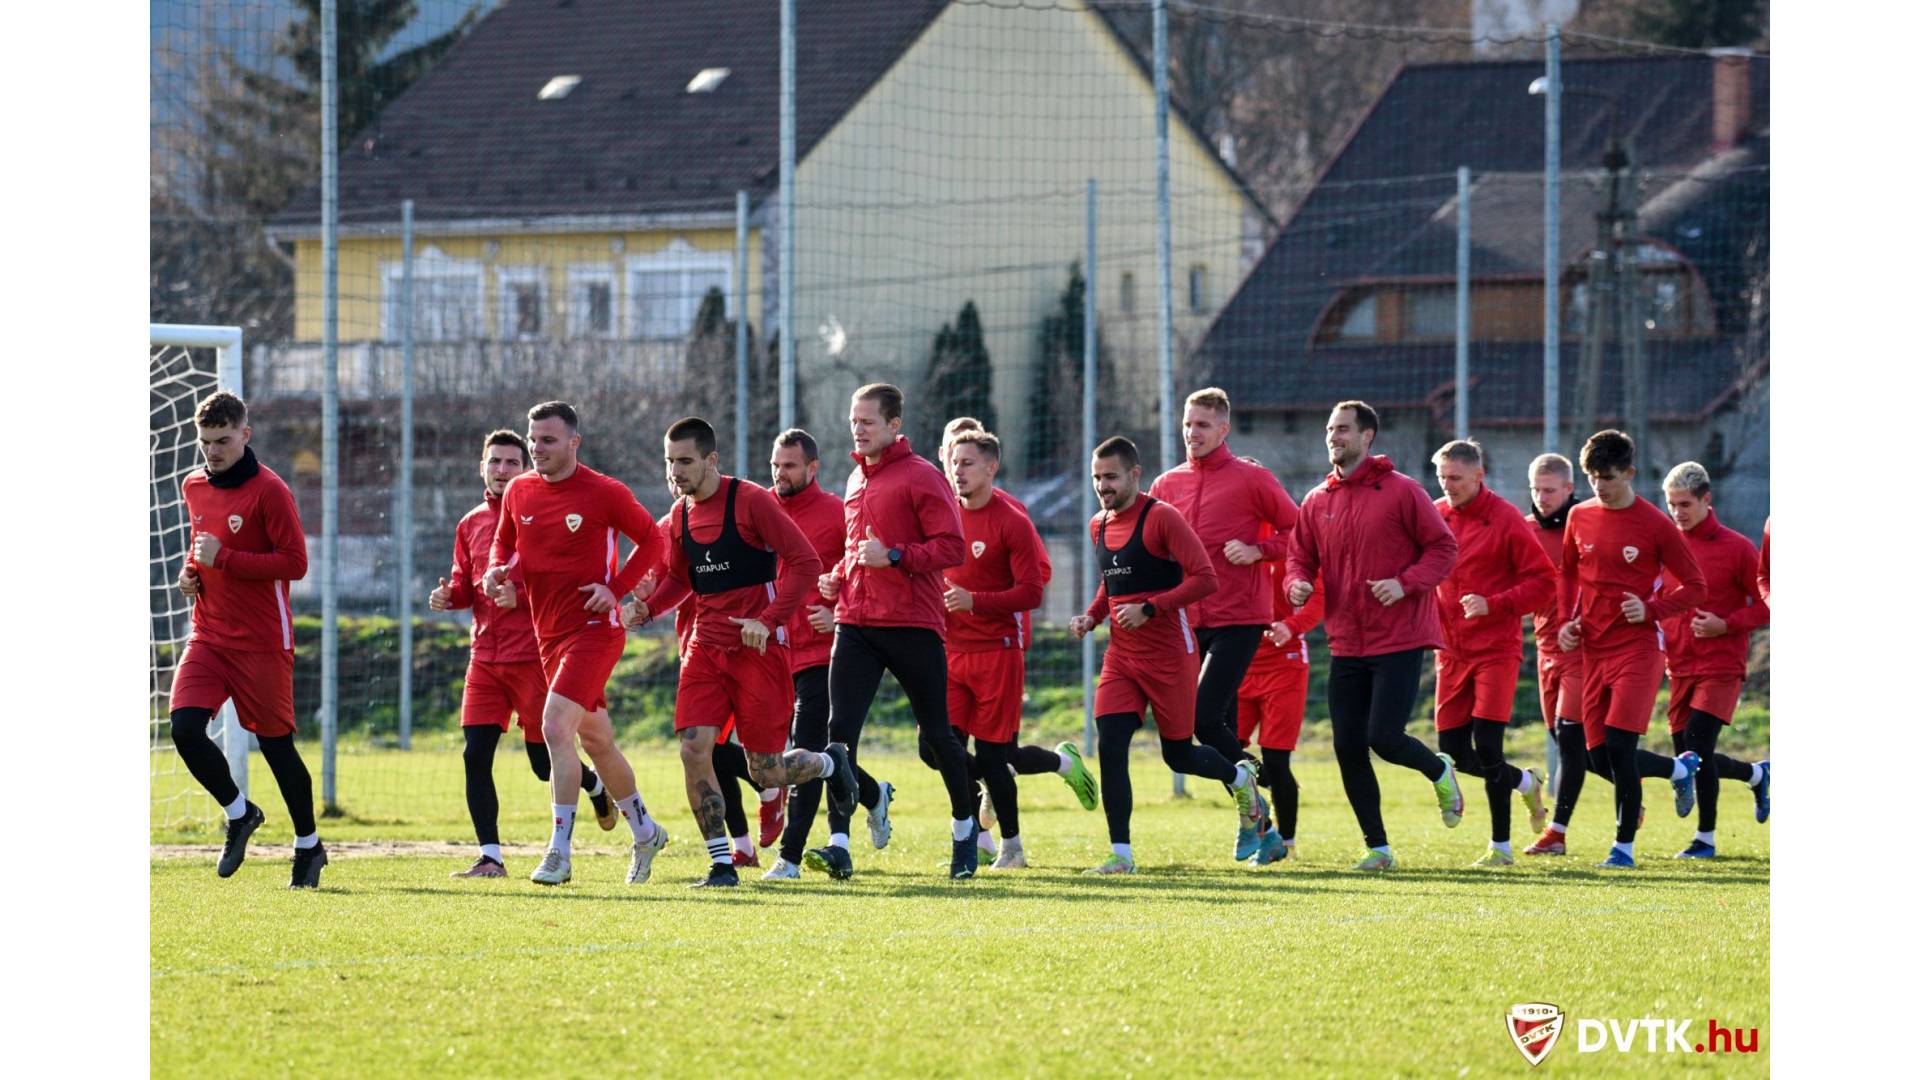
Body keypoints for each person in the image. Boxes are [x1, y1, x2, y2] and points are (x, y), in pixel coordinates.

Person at [626, 417, 829, 887]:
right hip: (705, 646)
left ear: (712, 459)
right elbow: (681, 579)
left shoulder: (751, 500)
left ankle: (830, 763)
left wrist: (768, 620)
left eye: (685, 461)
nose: (675, 471)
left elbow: (806, 562)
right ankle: (721, 863)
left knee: (767, 771)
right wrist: (648, 609)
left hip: (757, 649)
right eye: (669, 461)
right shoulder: (679, 514)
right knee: (694, 749)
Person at [483, 400, 668, 886]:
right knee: (597, 741)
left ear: (573, 442)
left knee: (554, 727)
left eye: (548, 440)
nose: (537, 448)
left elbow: (654, 541)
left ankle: (559, 854)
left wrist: (616, 589)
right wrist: (497, 571)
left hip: (595, 630)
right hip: (549, 635)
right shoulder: (519, 491)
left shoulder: (605, 492)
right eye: (533, 439)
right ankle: (646, 832)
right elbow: (506, 544)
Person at [1282, 401, 1466, 872]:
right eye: (1330, 429)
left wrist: (1405, 583)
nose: (1333, 437)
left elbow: (1443, 547)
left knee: (1383, 737)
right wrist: (1296, 584)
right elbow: (1298, 558)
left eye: (1343, 429)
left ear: (1367, 437)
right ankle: (1378, 848)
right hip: (1346, 641)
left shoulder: (1403, 491)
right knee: (1347, 746)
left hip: (1399, 636)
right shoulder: (1316, 500)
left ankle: (1439, 769)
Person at [430, 430, 616, 878]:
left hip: (535, 656)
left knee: (541, 763)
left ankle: (593, 785)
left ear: (526, 469)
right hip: (485, 659)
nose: (502, 470)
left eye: (512, 462)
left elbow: (563, 585)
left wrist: (521, 596)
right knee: (475, 754)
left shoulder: (540, 515)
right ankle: (491, 857)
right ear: (482, 468)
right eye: (494, 462)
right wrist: (450, 596)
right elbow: (467, 585)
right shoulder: (469, 523)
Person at [1069, 437, 1260, 874]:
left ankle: (1240, 778)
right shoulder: (1098, 524)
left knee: (1179, 755)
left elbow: (1206, 578)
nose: (1102, 486)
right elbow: (1111, 582)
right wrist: (1092, 617)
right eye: (1097, 477)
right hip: (1122, 656)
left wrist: (1152, 607)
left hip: (1171, 653)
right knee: (1110, 743)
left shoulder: (1162, 518)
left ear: (1135, 474)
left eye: (1111, 476)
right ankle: (1121, 855)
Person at [813, 384, 977, 880]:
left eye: (867, 421)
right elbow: (857, 549)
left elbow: (952, 547)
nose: (857, 429)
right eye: (853, 421)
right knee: (838, 740)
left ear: (894, 425)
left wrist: (896, 556)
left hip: (912, 624)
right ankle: (839, 845)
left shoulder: (923, 476)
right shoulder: (854, 479)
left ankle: (965, 831)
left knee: (939, 736)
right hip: (855, 624)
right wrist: (838, 575)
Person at [170, 391, 326, 887]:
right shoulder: (194, 485)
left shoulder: (270, 491)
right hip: (209, 635)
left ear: (245, 434)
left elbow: (295, 563)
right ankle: (239, 813)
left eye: (222, 440)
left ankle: (308, 846)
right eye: (205, 441)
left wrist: (225, 559)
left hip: (262, 641)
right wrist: (190, 574)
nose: (212, 451)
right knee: (184, 729)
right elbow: (200, 550)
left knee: (276, 748)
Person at [1148, 388, 1298, 858]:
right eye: (1188, 424)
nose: (1192, 433)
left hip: (1240, 617)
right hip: (1186, 620)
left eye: (1203, 425)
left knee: (1203, 718)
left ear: (1224, 429)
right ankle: (1260, 825)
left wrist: (1258, 550)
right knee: (1221, 731)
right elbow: (1148, 545)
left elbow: (1298, 532)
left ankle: (1264, 789)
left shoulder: (1253, 479)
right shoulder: (1166, 484)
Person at [942, 429, 1097, 870]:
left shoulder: (1012, 520)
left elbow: (1032, 591)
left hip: (998, 651)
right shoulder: (942, 516)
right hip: (950, 652)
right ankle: (978, 824)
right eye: (953, 462)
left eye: (967, 463)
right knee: (936, 749)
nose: (957, 471)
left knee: (993, 756)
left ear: (992, 467)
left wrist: (975, 602)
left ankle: (1010, 848)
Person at [1554, 430, 1707, 870]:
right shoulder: (1579, 515)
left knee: (1620, 748)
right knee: (1596, 755)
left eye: (1608, 477)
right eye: (1592, 477)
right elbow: (1568, 573)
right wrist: (1567, 621)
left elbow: (1695, 587)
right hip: (1593, 650)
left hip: (1639, 648)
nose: (1599, 486)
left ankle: (1622, 849)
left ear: (1630, 473)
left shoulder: (1655, 524)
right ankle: (1679, 770)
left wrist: (1651, 609)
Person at [763, 429, 894, 880]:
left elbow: (861, 574)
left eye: (790, 466)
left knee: (807, 750)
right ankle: (874, 795)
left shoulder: (836, 512)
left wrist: (836, 611)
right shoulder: (761, 509)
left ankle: (790, 858)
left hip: (824, 654)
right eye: (775, 465)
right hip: (773, 654)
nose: (780, 474)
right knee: (817, 755)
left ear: (812, 468)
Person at [1429, 439, 1558, 867]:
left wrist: (1494, 604)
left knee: (1487, 747)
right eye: (1442, 477)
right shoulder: (1436, 515)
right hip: (1451, 652)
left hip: (1495, 651)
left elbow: (1545, 583)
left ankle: (1500, 847)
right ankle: (1525, 783)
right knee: (1452, 752)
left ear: (1479, 475)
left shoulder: (1505, 518)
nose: (1447, 485)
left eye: (1456, 478)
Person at [1659, 462, 1771, 857]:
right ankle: (1757, 774)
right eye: (1672, 504)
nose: (1678, 512)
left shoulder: (1737, 548)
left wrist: (1726, 625)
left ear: (1706, 499)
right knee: (1687, 756)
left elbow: (1767, 603)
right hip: (1679, 665)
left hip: (1722, 664)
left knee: (1697, 743)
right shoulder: (1664, 545)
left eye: (1685, 504)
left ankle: (1704, 839)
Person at [1520, 454, 1588, 856]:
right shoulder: (1525, 529)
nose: (1542, 497)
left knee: (1570, 737)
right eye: (1536, 489)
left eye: (1550, 490)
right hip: (1545, 649)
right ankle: (1661, 772)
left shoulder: (1587, 524)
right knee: (1576, 745)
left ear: (1569, 488)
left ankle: (1556, 834)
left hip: (1582, 648)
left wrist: (1578, 621)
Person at [1239, 564, 1323, 865]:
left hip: (1284, 662)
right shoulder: (1229, 544)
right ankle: (1270, 797)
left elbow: (1319, 597)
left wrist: (1292, 625)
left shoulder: (1295, 549)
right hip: (1238, 658)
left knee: (1276, 758)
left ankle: (1284, 842)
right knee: (1224, 750)